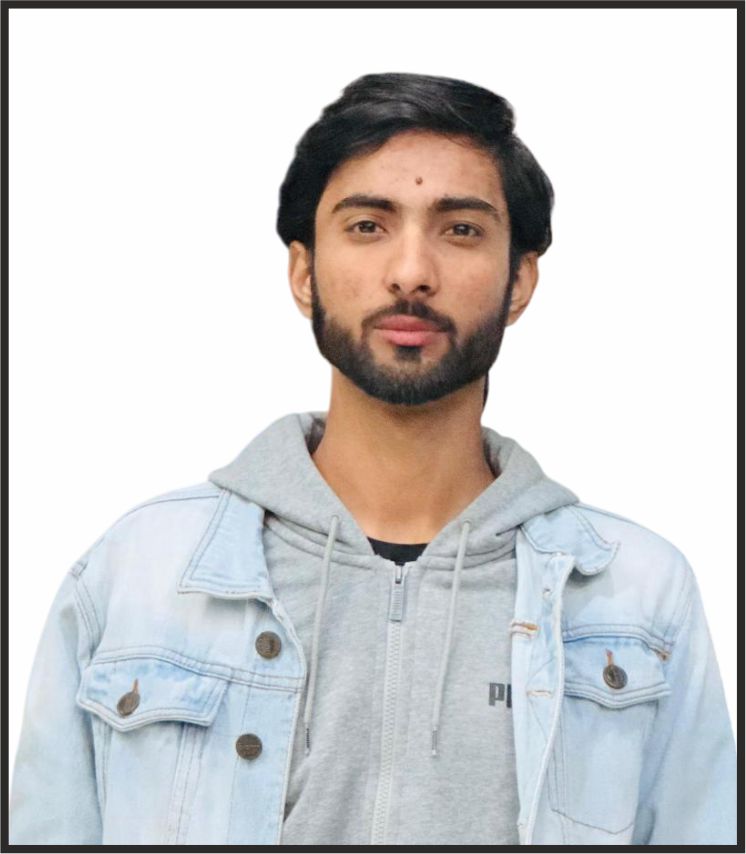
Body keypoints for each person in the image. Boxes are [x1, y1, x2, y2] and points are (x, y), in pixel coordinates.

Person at [9, 72, 736, 846]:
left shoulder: (637, 594)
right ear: (304, 274)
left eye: (461, 229)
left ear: (519, 280)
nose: (411, 272)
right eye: (367, 226)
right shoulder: (138, 574)